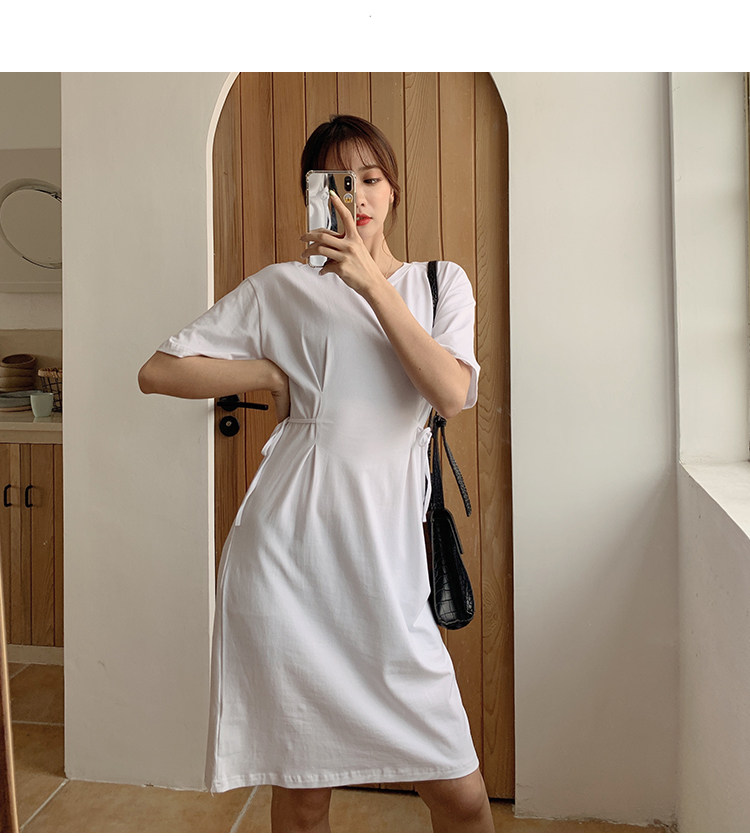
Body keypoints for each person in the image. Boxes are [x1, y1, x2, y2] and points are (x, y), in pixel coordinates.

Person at [138, 115, 494, 833]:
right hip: (288, 563)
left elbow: (450, 392)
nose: (354, 195)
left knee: (461, 799)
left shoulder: (438, 283)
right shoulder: (282, 289)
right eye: (336, 180)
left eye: (370, 178)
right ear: (311, 193)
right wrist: (270, 373)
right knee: (303, 793)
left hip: (389, 569)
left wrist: (370, 282)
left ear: (393, 190)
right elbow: (159, 370)